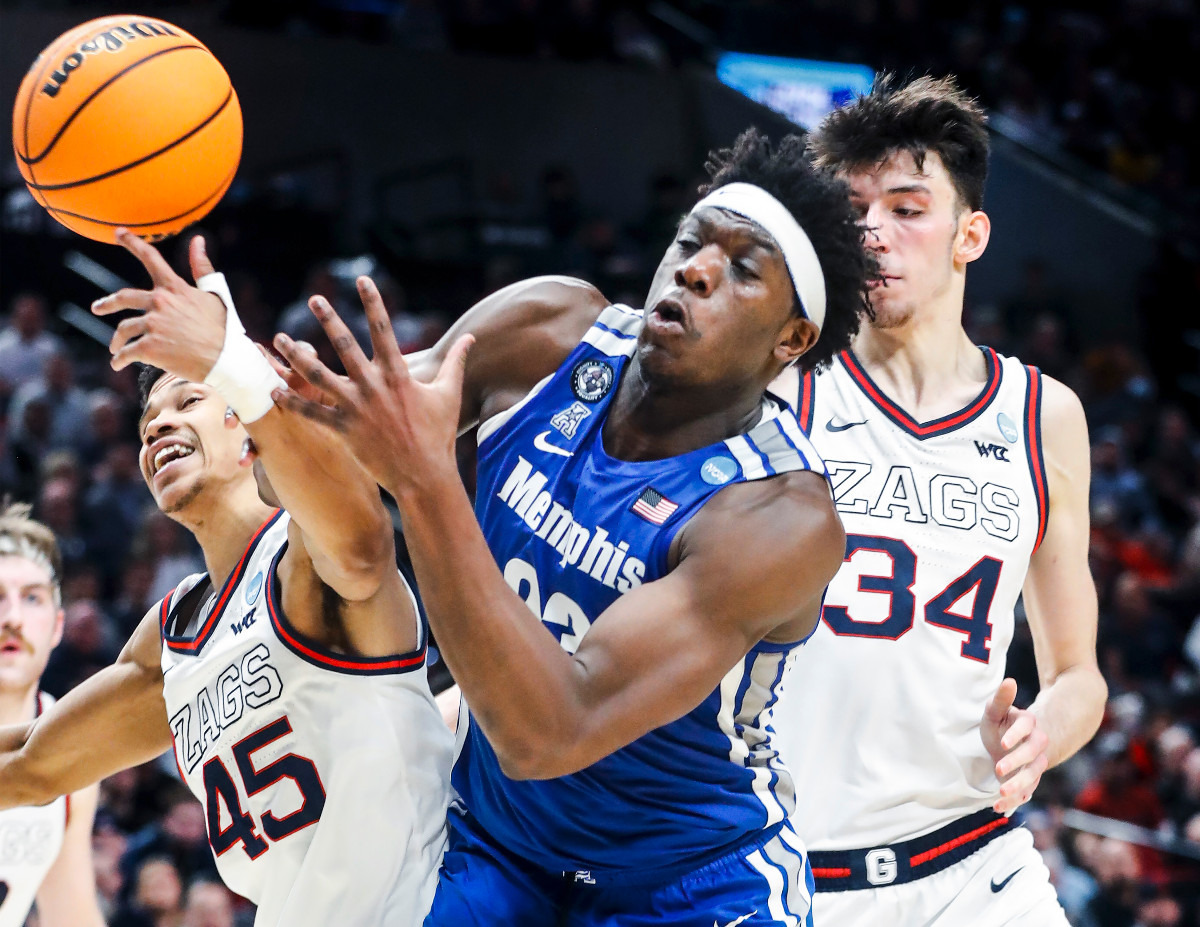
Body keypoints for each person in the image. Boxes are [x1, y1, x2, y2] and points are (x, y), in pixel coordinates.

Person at [273, 129, 874, 926]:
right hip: (495, 843)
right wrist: (230, 373)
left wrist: (421, 479)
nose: (695, 269)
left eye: (741, 270)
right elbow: (321, 435)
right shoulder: (549, 333)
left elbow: (550, 733)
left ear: (791, 340)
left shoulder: (779, 516)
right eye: (692, 242)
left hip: (689, 879)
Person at [0, 231, 453, 927]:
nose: (158, 427)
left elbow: (362, 544)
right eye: (148, 420)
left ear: (248, 429)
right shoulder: (175, 630)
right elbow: (33, 762)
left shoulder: (304, 553)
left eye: (186, 402)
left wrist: (231, 362)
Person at [767, 75, 1107, 925]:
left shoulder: (1043, 416)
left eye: (907, 207)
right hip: (791, 872)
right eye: (854, 210)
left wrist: (1041, 738)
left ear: (970, 234)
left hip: (972, 867)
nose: (874, 230)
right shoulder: (781, 389)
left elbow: (1078, 675)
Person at [0, 502, 106, 927]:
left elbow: (72, 914)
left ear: (58, 626)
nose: (12, 619)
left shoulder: (70, 744)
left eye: (31, 599)